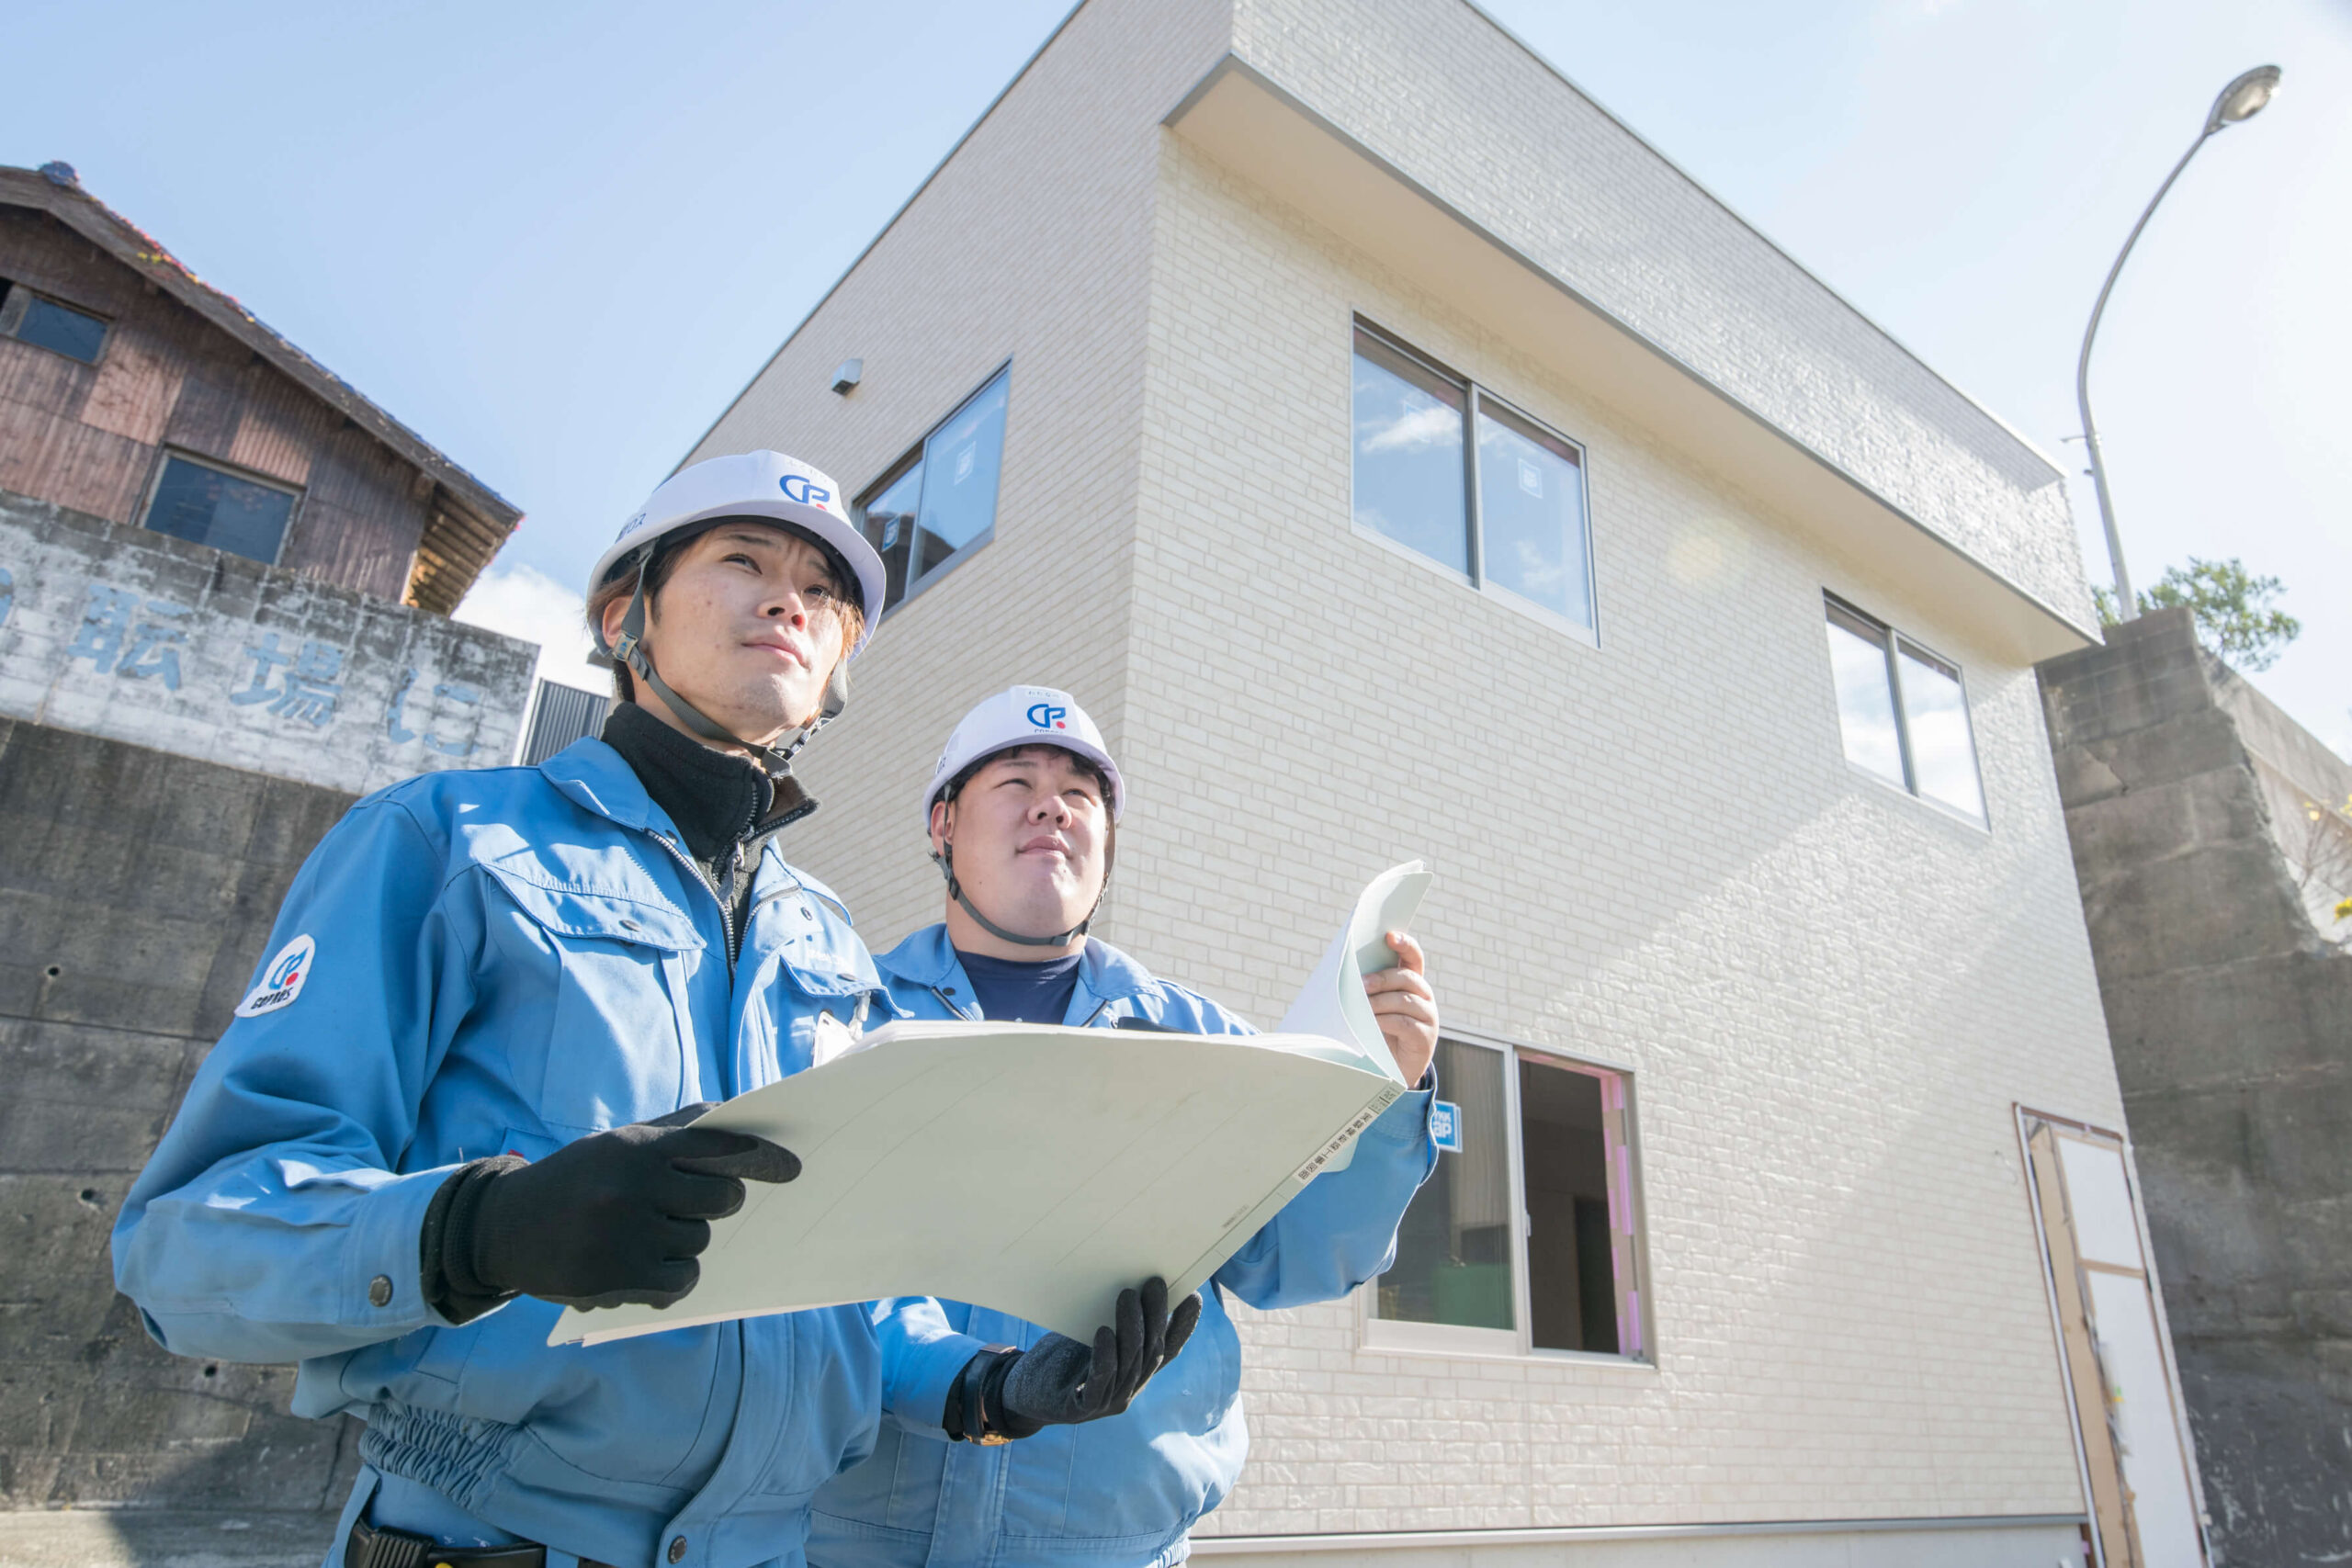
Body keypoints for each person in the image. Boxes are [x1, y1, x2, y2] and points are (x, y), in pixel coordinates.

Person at [111, 457, 1185, 1568]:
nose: (790, 601)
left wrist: (990, 1387)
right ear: (626, 618)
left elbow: (844, 1289)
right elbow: (185, 1247)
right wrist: (483, 1233)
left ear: (836, 674)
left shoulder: (823, 942)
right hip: (489, 1539)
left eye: (824, 592)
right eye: (742, 561)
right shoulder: (453, 844)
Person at [807, 686, 1441, 1568]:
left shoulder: (1202, 1041)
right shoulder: (841, 1015)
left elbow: (1296, 1258)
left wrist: (1384, 1099)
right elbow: (796, 1276)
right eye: (1015, 780)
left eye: (1081, 792)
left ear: (1107, 840)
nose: (1051, 805)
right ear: (942, 825)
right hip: (843, 1544)